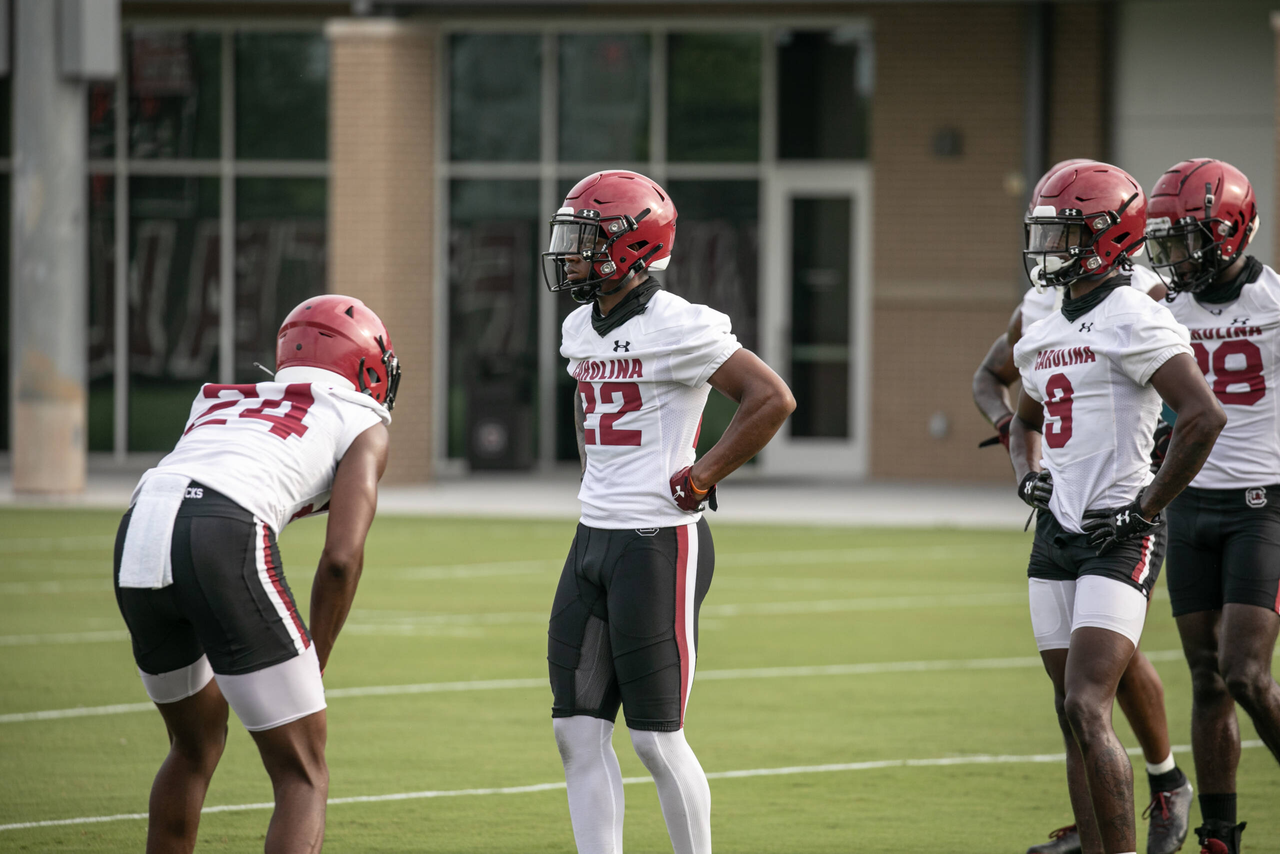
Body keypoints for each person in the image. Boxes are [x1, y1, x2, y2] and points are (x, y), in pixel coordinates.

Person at [542, 170, 795, 854]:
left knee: (656, 739)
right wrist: (597, 479)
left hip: (657, 544)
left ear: (632, 244)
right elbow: (587, 411)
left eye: (585, 238)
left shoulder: (680, 323)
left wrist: (703, 473)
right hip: (592, 536)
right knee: (575, 731)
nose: (569, 253)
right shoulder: (579, 326)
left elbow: (771, 398)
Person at [112, 295, 399, 854]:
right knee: (303, 772)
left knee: (191, 747)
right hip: (223, 529)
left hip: (140, 526)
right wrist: (315, 660)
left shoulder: (217, 399)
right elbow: (341, 558)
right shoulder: (361, 419)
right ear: (368, 367)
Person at [972, 160, 1190, 854]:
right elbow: (1025, 420)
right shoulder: (1045, 323)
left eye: (1063, 233)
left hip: (1117, 529)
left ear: (1109, 236)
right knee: (1071, 713)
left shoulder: (1135, 313)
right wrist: (1026, 473)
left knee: (1087, 703)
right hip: (1057, 531)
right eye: (1044, 232)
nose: (1047, 248)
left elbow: (1202, 415)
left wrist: (1145, 508)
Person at [1147, 158, 1280, 854]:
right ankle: (1220, 837)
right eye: (1167, 241)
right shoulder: (1161, 305)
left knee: (1245, 673)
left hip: (1263, 506)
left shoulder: (1276, 303)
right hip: (1189, 503)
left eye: (1188, 240)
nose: (1175, 256)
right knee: (1206, 679)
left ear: (1231, 232)